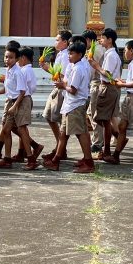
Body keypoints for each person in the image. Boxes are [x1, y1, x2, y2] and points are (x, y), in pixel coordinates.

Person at [44, 41, 96, 173]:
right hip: (69, 104)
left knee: (80, 133)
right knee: (63, 134)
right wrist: (60, 81)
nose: (69, 56)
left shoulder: (79, 68)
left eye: (72, 53)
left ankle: (89, 162)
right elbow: (66, 81)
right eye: (69, 53)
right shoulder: (73, 66)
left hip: (75, 104)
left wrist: (62, 86)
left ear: (80, 54)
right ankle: (56, 160)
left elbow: (73, 89)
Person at [0, 47, 40, 170]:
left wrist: (15, 106)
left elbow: (22, 91)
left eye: (11, 57)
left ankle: (31, 159)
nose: (7, 60)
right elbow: (8, 89)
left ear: (17, 59)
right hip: (13, 101)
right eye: (6, 57)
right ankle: (7, 159)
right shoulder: (9, 71)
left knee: (22, 129)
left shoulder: (17, 72)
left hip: (22, 101)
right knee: (6, 130)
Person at [89, 28, 122, 159]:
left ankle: (110, 147)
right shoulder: (109, 54)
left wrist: (95, 65)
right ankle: (114, 142)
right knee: (102, 119)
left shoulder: (111, 55)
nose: (100, 40)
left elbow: (107, 74)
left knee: (104, 120)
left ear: (110, 40)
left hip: (108, 87)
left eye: (103, 38)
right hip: (107, 87)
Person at [40, 29, 72, 157]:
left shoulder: (65, 56)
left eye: (57, 40)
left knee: (56, 119)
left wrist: (48, 68)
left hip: (61, 90)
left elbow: (63, 76)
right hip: (57, 88)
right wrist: (47, 68)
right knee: (49, 116)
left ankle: (61, 148)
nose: (55, 42)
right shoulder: (61, 54)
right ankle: (60, 147)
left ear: (65, 42)